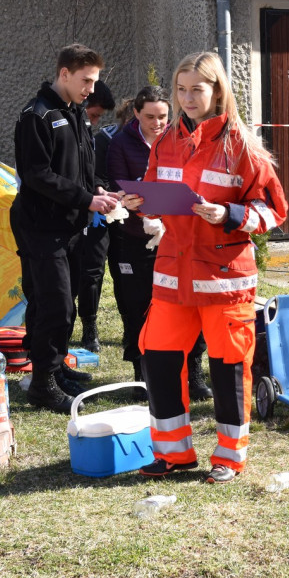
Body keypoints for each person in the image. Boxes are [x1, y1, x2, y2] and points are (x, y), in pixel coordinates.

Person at [123, 52, 288, 483]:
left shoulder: (243, 146)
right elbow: (157, 198)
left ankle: (230, 457)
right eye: (181, 88)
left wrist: (230, 216)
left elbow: (273, 211)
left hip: (224, 278)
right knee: (157, 360)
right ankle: (174, 454)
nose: (187, 97)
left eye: (197, 88)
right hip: (172, 275)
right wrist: (142, 206)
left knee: (228, 367)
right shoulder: (165, 141)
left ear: (217, 91)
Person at [11, 44, 120, 413]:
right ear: (64, 74)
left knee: (61, 305)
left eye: (94, 80)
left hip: (69, 225)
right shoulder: (37, 115)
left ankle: (55, 372)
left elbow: (80, 165)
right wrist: (87, 200)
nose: (91, 88)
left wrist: (96, 190)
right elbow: (38, 175)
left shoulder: (74, 112)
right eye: (86, 80)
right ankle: (42, 385)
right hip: (41, 226)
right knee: (54, 307)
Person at [107, 85, 210, 401]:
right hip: (135, 240)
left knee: (188, 304)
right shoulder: (120, 144)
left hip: (179, 239)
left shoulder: (182, 140)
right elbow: (116, 186)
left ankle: (192, 374)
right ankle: (143, 376)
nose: (157, 123)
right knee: (137, 307)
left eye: (163, 116)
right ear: (136, 113)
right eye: (150, 116)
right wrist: (132, 200)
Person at [69, 80, 116, 353]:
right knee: (74, 273)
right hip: (73, 216)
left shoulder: (93, 136)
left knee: (94, 271)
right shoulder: (65, 130)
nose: (96, 121)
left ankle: (90, 327)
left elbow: (94, 174)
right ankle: (65, 325)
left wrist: (100, 187)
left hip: (97, 215)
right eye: (94, 114)